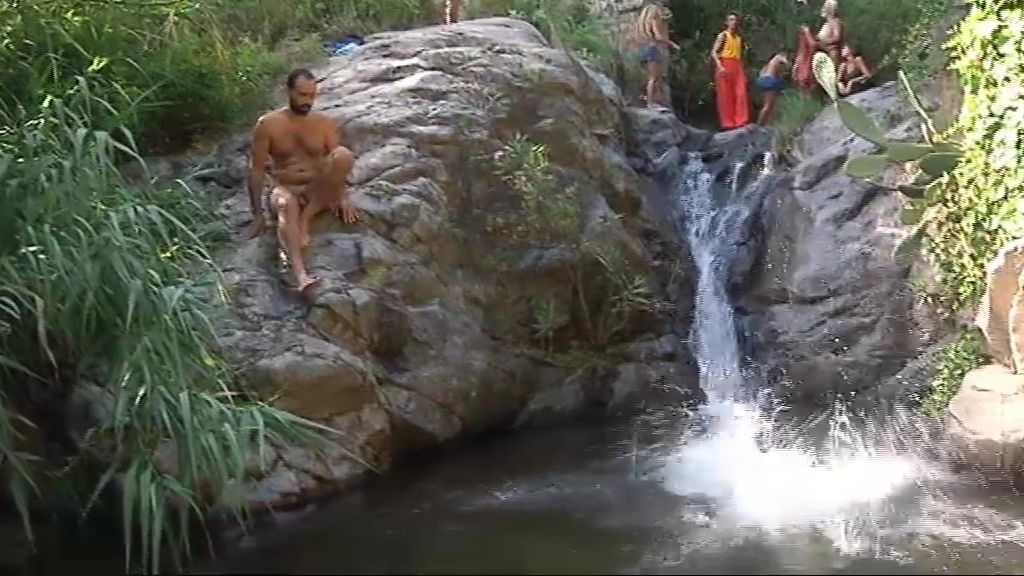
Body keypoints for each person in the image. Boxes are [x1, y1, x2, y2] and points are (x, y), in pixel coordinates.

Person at [244, 68, 360, 297]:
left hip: (317, 189)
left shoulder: (323, 122)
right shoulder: (268, 124)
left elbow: (337, 161)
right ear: (288, 91)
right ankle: (301, 276)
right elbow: (256, 170)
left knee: (343, 154)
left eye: (311, 95)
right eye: (302, 95)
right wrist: (257, 215)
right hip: (286, 188)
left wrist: (342, 195)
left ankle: (306, 219)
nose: (307, 101)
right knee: (286, 204)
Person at [628, 4, 680, 109]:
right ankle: (650, 103)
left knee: (648, 78)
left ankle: (645, 100)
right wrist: (672, 44)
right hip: (652, 49)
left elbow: (631, 39)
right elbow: (658, 36)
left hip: (641, 50)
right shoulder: (653, 21)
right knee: (654, 78)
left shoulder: (639, 24)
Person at [711, 11, 750, 130]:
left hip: (737, 65)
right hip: (725, 63)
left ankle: (741, 120)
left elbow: (741, 55)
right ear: (727, 22)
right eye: (731, 20)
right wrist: (720, 66)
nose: (734, 23)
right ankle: (727, 122)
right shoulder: (723, 35)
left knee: (741, 93)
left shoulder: (739, 38)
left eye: (735, 20)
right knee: (725, 95)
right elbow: (714, 52)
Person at [793, 0, 844, 92]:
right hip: (823, 51)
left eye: (825, 6)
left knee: (831, 76)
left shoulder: (835, 21)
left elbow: (837, 38)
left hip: (831, 51)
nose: (822, 8)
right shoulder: (826, 23)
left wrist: (823, 42)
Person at [755, 50, 790, 125]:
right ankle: (759, 124)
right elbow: (786, 62)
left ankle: (767, 123)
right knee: (768, 105)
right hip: (769, 80)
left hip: (764, 80)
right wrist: (787, 63)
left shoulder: (769, 64)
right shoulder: (778, 57)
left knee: (771, 105)